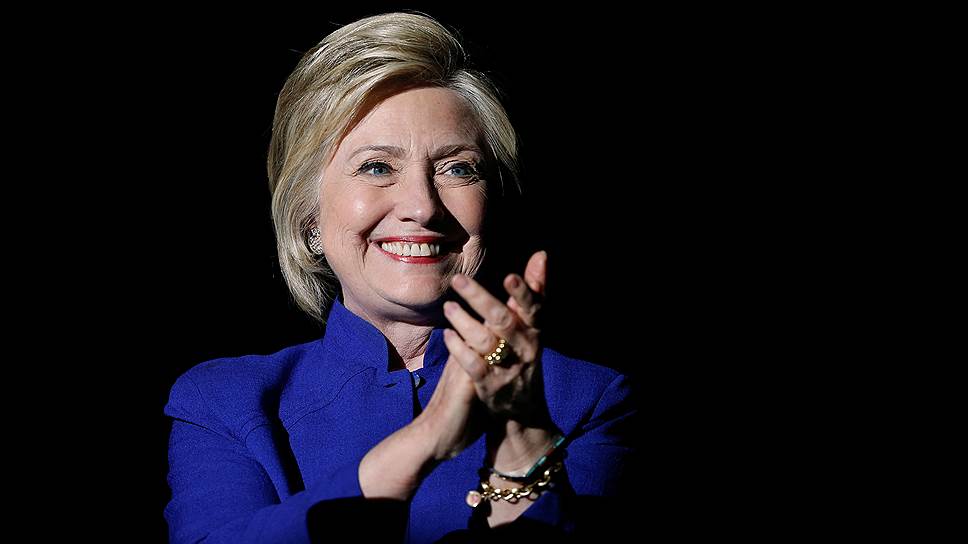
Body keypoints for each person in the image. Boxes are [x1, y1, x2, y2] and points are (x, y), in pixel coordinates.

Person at [163, 12, 637, 543]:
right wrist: (425, 439)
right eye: (377, 167)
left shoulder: (590, 398)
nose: (422, 206)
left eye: (457, 168)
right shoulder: (225, 401)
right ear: (309, 217)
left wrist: (522, 440)